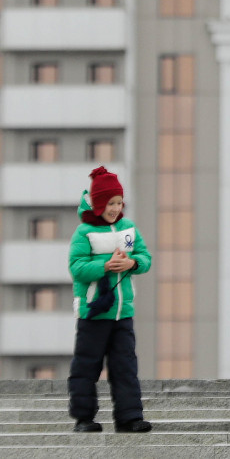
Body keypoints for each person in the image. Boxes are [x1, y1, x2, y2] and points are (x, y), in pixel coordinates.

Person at [67, 167, 153, 434]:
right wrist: (107, 265)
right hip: (93, 313)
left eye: (119, 202)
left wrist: (132, 262)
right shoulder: (84, 232)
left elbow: (145, 258)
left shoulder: (129, 228)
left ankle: (129, 418)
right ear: (99, 204)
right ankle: (84, 419)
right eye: (110, 203)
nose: (116, 208)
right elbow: (77, 267)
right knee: (86, 366)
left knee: (125, 366)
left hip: (122, 312)